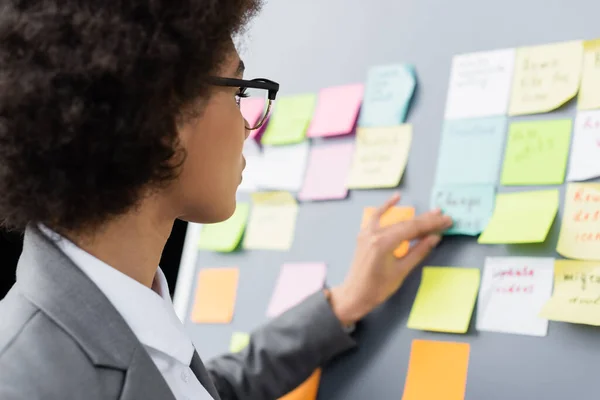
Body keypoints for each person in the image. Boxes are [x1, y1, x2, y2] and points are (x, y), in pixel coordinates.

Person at [0, 1, 453, 399]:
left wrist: (345, 303)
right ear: (164, 115)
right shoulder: (20, 382)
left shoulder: (119, 303)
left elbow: (207, 391)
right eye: (238, 92)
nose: (248, 127)